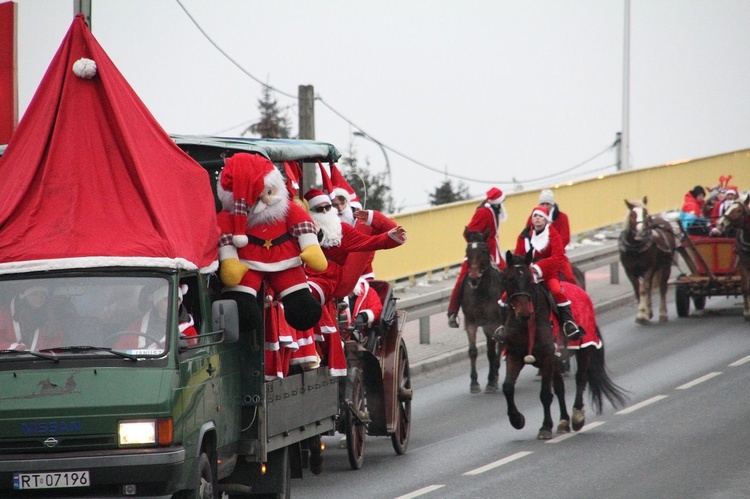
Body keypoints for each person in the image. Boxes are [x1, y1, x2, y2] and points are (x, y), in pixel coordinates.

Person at [513, 205, 581, 340]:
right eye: (535, 216)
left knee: (556, 291)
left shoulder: (553, 234)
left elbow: (557, 257)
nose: (537, 219)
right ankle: (505, 327)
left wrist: (538, 268)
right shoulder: (524, 236)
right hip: (527, 273)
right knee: (507, 295)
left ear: (546, 220)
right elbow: (518, 255)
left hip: (548, 272)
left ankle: (568, 322)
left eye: (541, 217)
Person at [447, 187, 508, 328]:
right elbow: (468, 232)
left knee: (507, 275)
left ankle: (509, 308)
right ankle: (453, 312)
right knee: (462, 279)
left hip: (493, 250)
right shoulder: (483, 212)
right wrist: (479, 245)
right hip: (479, 252)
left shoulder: (494, 211)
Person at [116, 284, 197, 350]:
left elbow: (190, 354)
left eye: (178, 299)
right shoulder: (136, 326)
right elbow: (119, 350)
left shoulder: (188, 331)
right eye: (166, 299)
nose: (173, 303)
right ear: (157, 302)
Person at [0, 286, 64, 351]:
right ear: (24, 296)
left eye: (43, 295)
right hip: (11, 360)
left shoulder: (50, 318)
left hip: (43, 359)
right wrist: (20, 349)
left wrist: (43, 354)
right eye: (34, 294)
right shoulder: (5, 315)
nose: (39, 298)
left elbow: (57, 342)